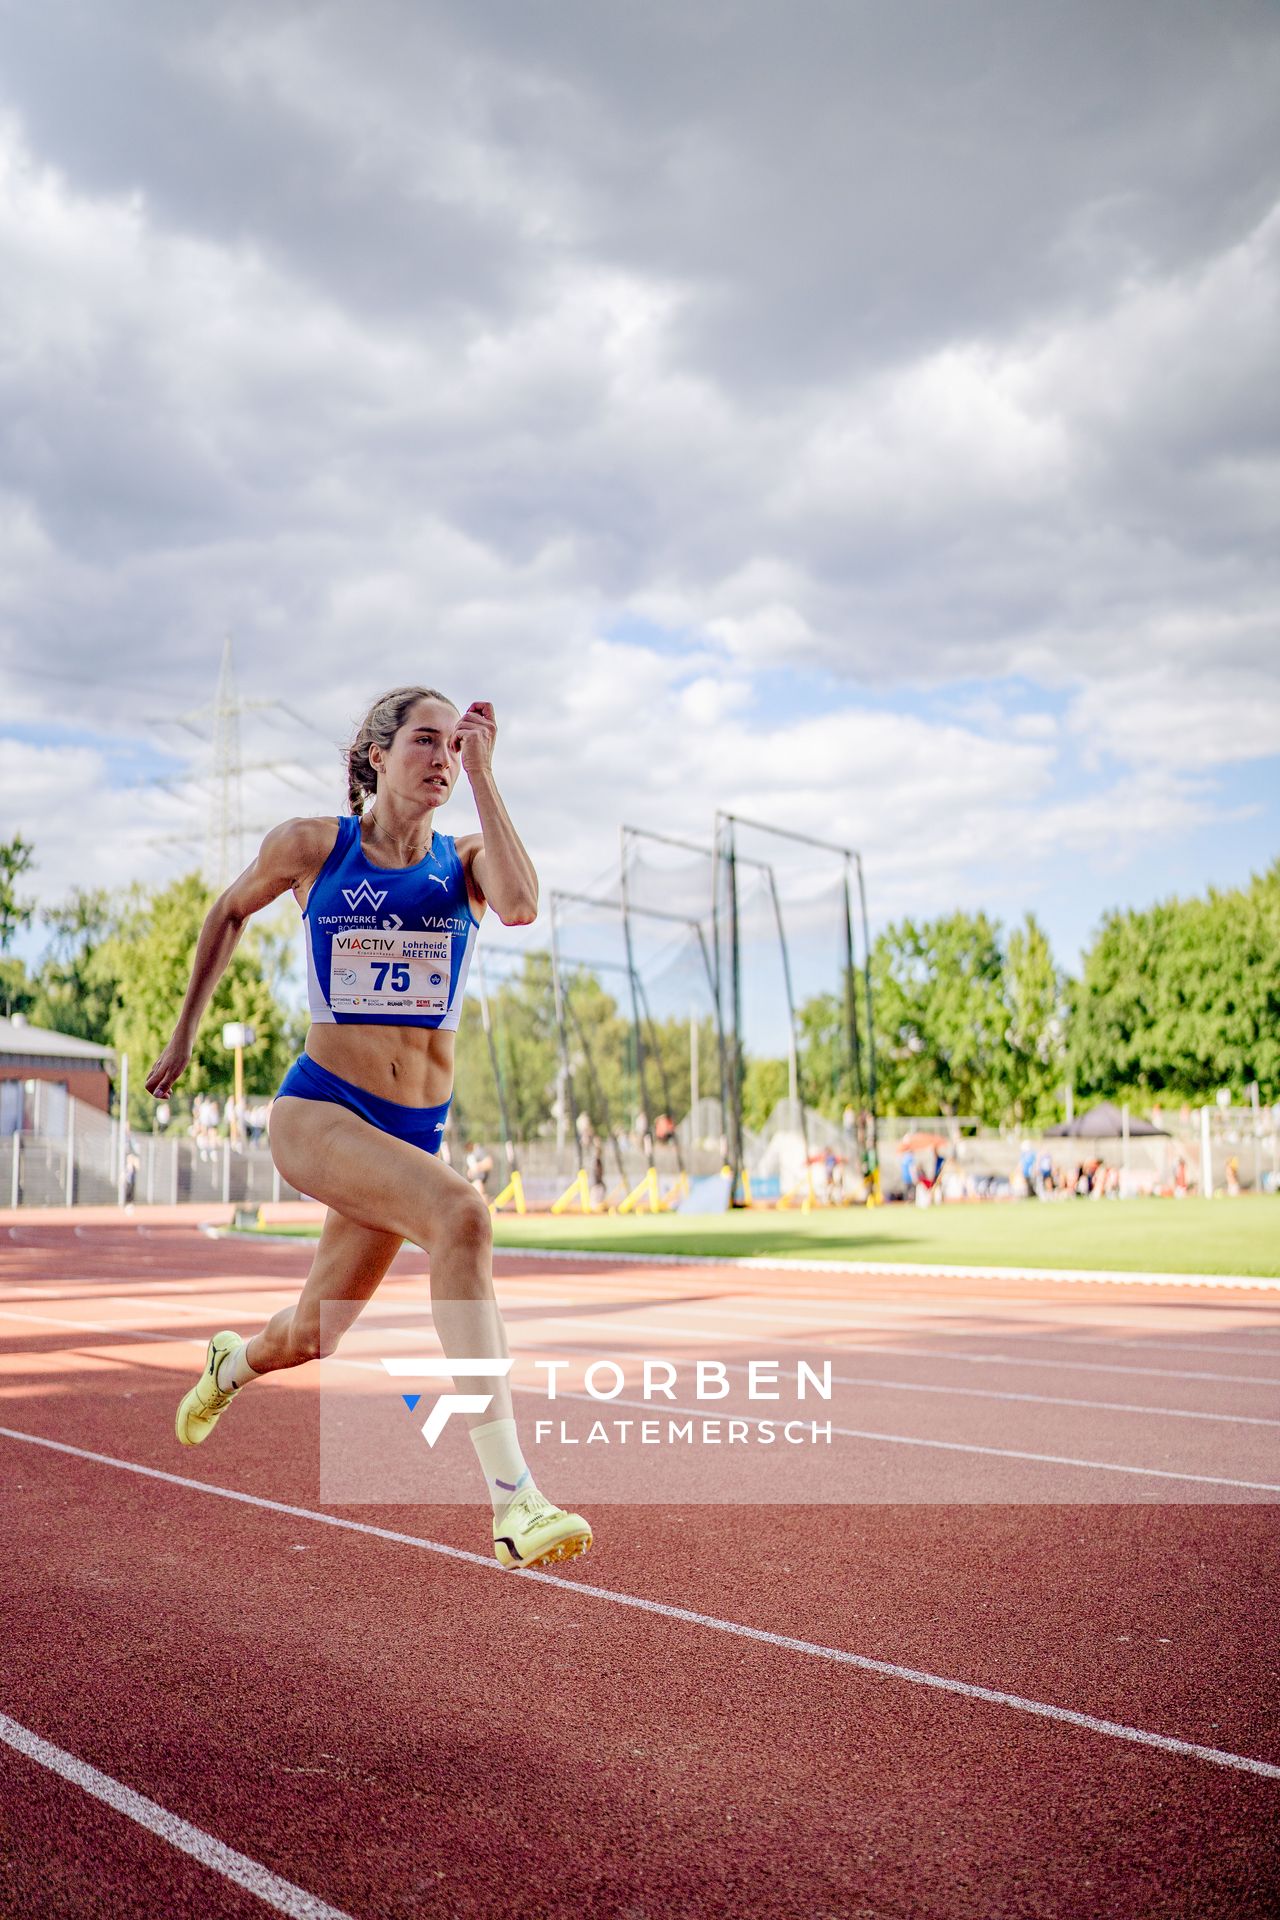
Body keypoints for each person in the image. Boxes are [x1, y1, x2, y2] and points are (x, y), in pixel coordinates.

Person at [146, 685, 591, 1571]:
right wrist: (186, 1030)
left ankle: (230, 1364)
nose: (442, 760)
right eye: (425, 742)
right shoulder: (317, 847)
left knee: (315, 1333)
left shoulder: (463, 863)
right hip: (317, 1113)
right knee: (463, 1216)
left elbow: (521, 904)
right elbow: (228, 911)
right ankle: (515, 1501)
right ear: (376, 756)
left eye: (453, 750)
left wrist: (489, 774)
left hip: (404, 1137)